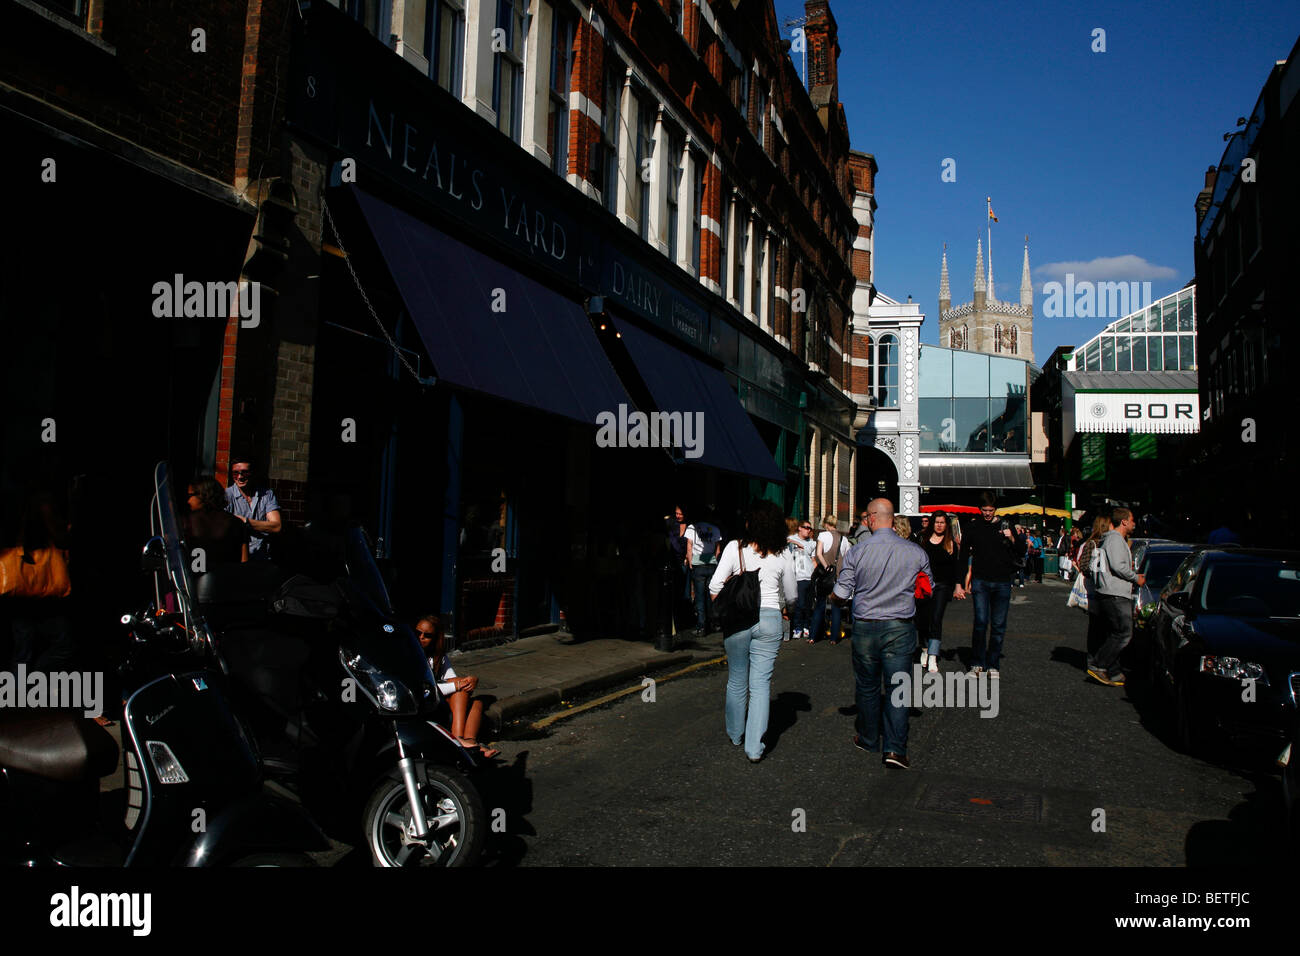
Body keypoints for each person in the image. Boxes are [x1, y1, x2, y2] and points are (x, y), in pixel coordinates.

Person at [831, 498, 933, 770]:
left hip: (865, 624)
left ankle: (867, 737)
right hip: (900, 624)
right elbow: (928, 588)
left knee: (867, 685)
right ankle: (895, 750)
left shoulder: (858, 551)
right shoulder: (915, 552)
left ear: (873, 518)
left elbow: (842, 594)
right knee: (897, 688)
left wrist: (834, 599)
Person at [709, 499, 797, 763]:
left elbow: (714, 587)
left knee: (737, 679)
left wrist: (729, 602)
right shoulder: (784, 553)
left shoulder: (735, 548)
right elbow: (792, 596)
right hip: (770, 619)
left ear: (751, 523)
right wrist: (786, 609)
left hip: (738, 620)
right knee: (760, 684)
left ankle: (735, 734)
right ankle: (754, 748)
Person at [416, 615, 499, 758]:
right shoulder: (413, 655)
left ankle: (470, 742)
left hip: (437, 698)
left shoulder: (437, 656)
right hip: (424, 700)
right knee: (459, 689)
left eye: (427, 635)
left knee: (477, 703)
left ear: (435, 638)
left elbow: (451, 678)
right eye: (418, 633)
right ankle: (458, 739)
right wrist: (459, 684)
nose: (421, 637)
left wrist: (472, 680)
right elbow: (426, 689)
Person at [961, 491, 1022, 677]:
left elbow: (1021, 550)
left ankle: (993, 663)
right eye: (984, 510)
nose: (987, 513)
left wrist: (1012, 537)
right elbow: (963, 554)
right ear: (980, 509)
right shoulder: (973, 527)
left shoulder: (1006, 524)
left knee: (998, 624)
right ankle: (977, 662)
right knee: (980, 622)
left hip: (1002, 580)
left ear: (996, 509)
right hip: (981, 579)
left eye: (991, 510)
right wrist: (960, 581)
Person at [1086, 509, 1146, 687]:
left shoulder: (1113, 539)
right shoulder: (1115, 539)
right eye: (1132, 519)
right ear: (1124, 522)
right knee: (1124, 633)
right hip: (1115, 593)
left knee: (1115, 633)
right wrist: (1136, 578)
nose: (1134, 523)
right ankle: (1099, 664)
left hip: (1113, 592)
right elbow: (1118, 566)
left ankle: (1114, 672)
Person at [917, 511, 966, 673]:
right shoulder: (923, 540)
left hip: (943, 586)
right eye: (937, 522)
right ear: (932, 523)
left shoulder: (951, 542)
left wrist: (959, 585)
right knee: (922, 620)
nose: (939, 525)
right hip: (924, 586)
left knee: (936, 619)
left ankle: (933, 655)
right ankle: (924, 648)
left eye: (942, 522)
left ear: (946, 525)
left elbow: (957, 567)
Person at [225, 458, 282, 560]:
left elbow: (276, 526)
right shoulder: (226, 496)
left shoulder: (267, 494)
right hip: (236, 561)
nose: (240, 477)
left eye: (244, 473)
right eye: (235, 473)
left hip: (263, 559)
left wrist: (245, 522)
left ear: (252, 473)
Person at [185, 477, 248, 566]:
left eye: (190, 496)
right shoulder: (237, 523)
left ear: (203, 494)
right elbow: (244, 562)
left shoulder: (188, 521)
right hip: (228, 577)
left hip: (195, 577)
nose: (188, 501)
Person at [1076, 516, 1113, 657]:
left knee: (1099, 626)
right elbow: (1084, 565)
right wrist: (1097, 574)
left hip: (1103, 590)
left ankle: (1098, 657)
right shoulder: (1093, 543)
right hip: (1096, 590)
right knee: (1097, 626)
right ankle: (1095, 658)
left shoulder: (1107, 542)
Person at [807, 516, 846, 644]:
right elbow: (846, 558)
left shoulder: (823, 535)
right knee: (836, 607)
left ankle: (813, 636)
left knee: (820, 605)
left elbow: (818, 553)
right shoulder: (844, 539)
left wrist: (826, 566)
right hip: (838, 577)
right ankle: (834, 638)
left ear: (825, 524)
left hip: (825, 576)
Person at [684, 513, 723, 636]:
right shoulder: (715, 528)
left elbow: (689, 547)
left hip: (698, 565)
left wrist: (690, 563)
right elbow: (718, 549)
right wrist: (714, 561)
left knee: (699, 598)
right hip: (711, 564)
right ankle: (713, 623)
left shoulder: (691, 528)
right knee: (709, 596)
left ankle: (701, 627)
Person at [785, 518, 816, 641]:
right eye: (806, 527)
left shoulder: (812, 542)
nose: (808, 530)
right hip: (798, 576)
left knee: (808, 605)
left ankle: (806, 627)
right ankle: (797, 628)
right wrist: (795, 542)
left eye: (810, 528)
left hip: (810, 576)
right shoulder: (792, 539)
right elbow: (784, 542)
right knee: (800, 604)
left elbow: (813, 560)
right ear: (800, 528)